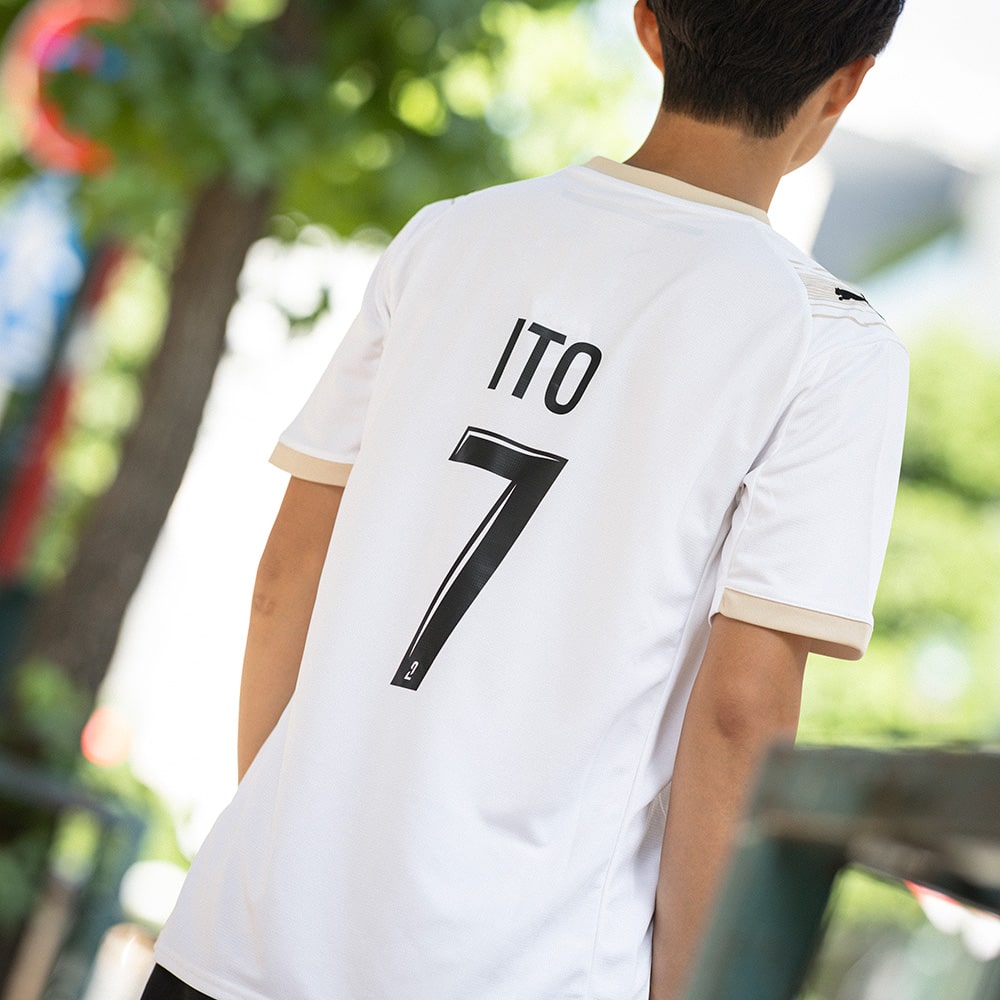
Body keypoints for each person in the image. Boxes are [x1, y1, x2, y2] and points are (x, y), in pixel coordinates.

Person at [143, 1, 908, 997]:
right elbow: (740, 712)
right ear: (848, 81)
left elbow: (285, 577)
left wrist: (285, 856)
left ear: (646, 24)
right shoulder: (828, 346)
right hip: (514, 970)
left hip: (236, 939)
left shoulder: (449, 237)